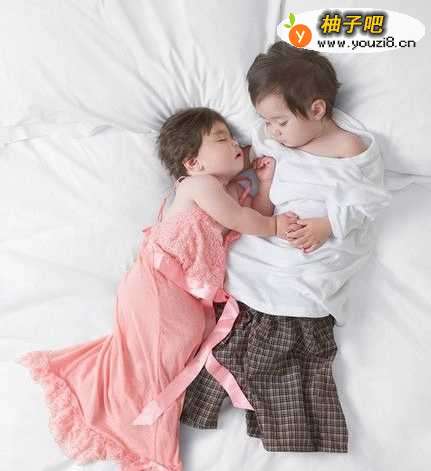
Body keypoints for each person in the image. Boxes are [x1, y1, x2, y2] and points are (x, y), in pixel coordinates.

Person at [18, 107, 297, 471]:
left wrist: (265, 185)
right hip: (155, 283)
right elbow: (246, 220)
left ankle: (127, 423)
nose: (234, 143)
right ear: (193, 162)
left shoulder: (229, 193)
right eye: (222, 138)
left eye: (232, 137)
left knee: (156, 364)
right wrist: (275, 226)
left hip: (186, 298)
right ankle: (146, 441)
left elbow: (252, 218)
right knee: (152, 367)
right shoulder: (198, 185)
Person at [181, 42, 391, 453]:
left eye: (279, 122)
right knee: (242, 275)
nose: (271, 131)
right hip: (275, 234)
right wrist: (259, 183)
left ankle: (282, 400)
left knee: (298, 289)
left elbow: (369, 202)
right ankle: (213, 383)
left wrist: (328, 226)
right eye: (266, 121)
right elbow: (260, 185)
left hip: (319, 241)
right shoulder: (275, 142)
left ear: (316, 110)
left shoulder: (350, 149)